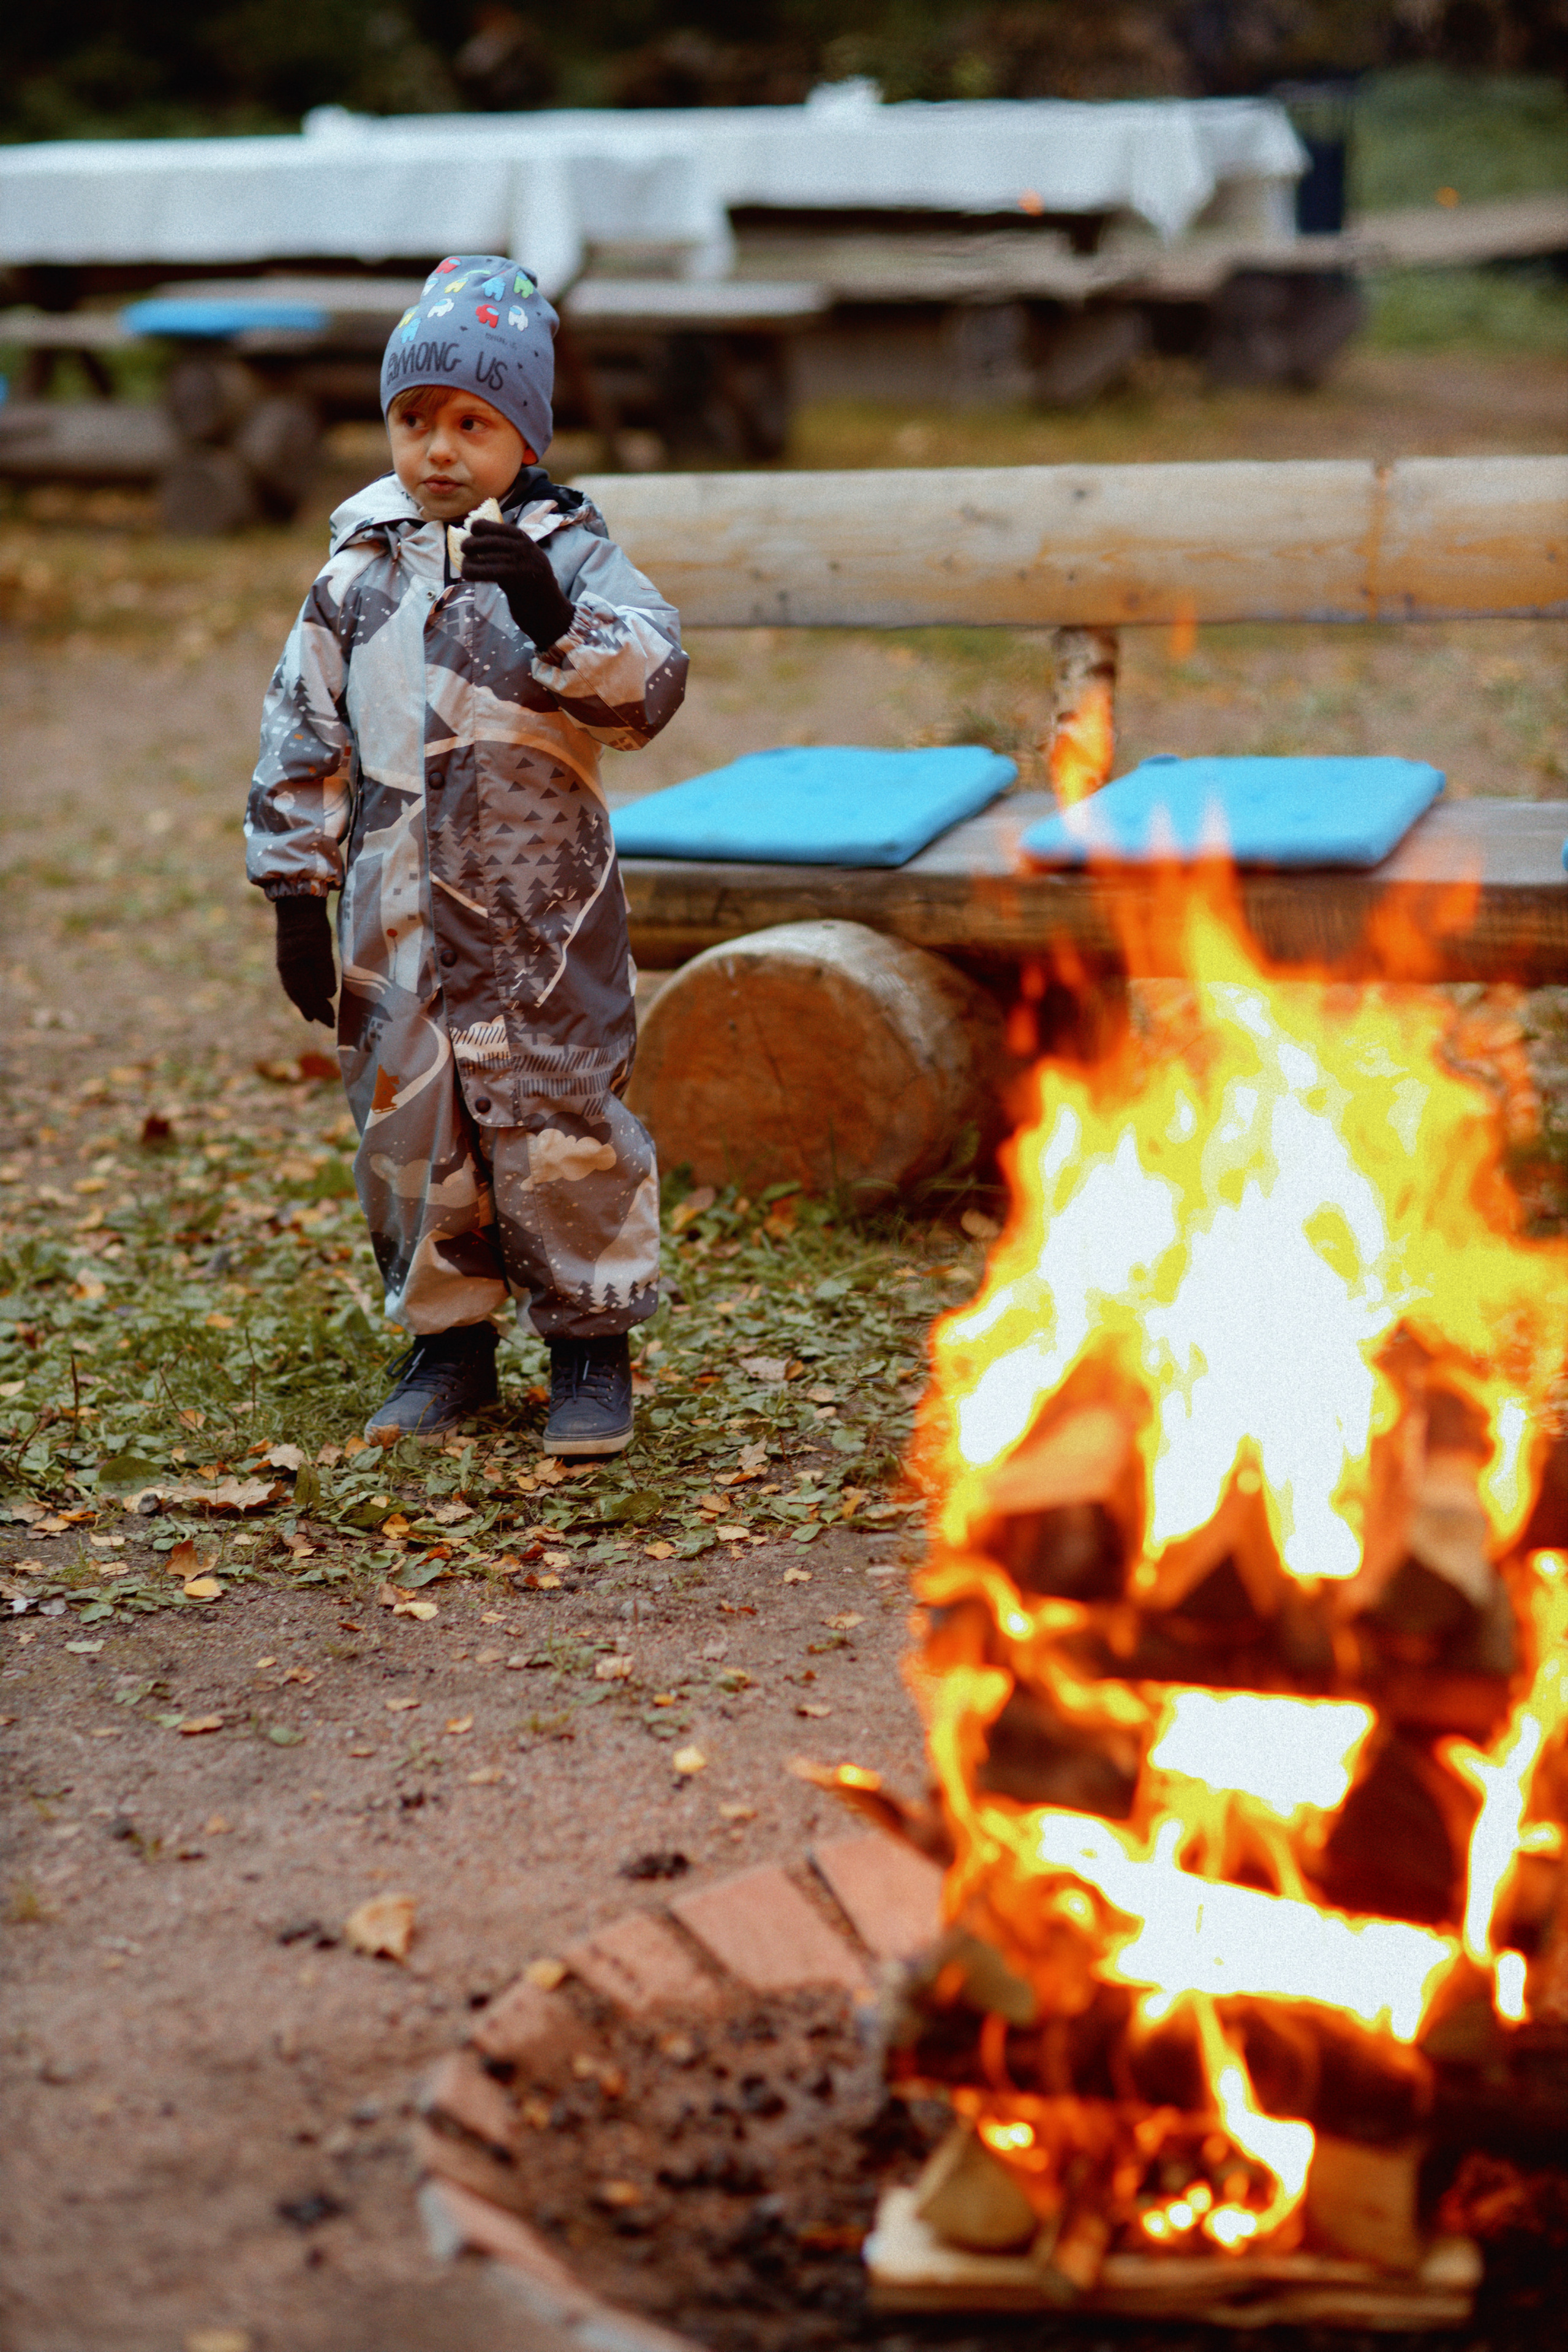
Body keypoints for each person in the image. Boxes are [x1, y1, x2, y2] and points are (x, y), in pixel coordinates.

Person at [246, 254, 686, 1455]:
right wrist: (297, 890)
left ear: (524, 438)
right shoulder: (354, 574)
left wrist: (554, 619)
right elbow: (303, 728)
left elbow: (645, 693)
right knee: (406, 1119)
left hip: (538, 904)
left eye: (470, 424)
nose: (437, 449)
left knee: (562, 1113)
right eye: (412, 420)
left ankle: (591, 1345)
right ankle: (448, 1348)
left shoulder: (572, 557)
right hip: (393, 901)